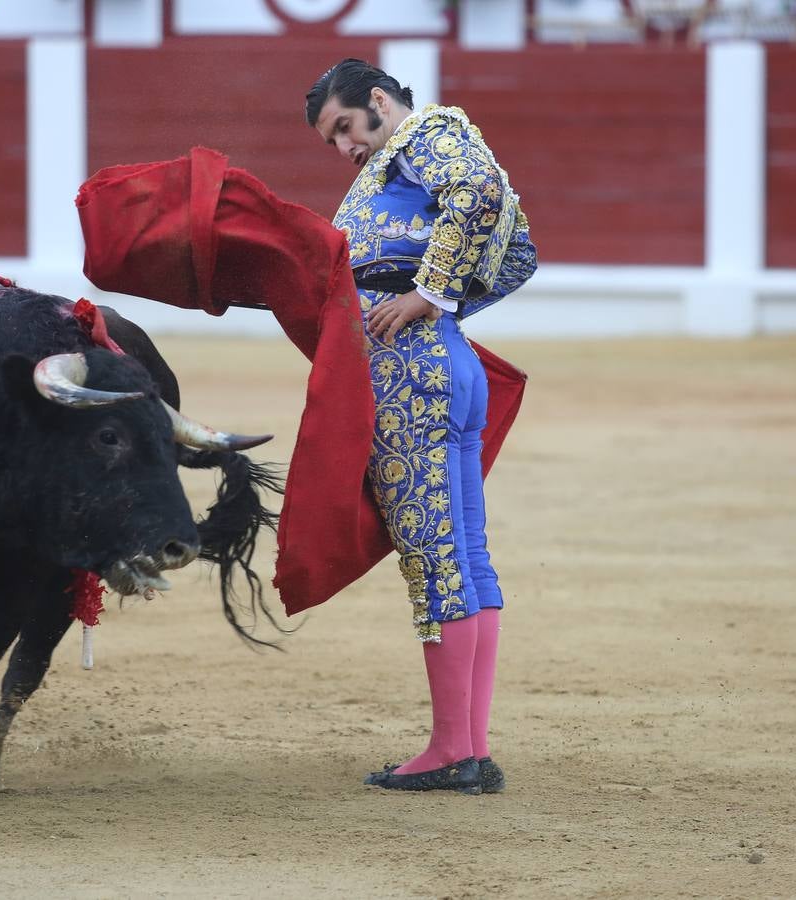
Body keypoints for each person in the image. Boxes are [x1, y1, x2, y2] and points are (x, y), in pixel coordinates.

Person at [305, 59, 537, 795]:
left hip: (411, 370)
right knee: (464, 553)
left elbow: (478, 193)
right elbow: (517, 256)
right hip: (448, 363)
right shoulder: (393, 167)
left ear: (378, 100)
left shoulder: (425, 133)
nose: (345, 146)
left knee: (437, 558)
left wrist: (427, 297)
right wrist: (442, 308)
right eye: (331, 139)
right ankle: (466, 746)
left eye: (345, 126)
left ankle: (452, 751)